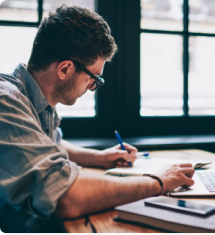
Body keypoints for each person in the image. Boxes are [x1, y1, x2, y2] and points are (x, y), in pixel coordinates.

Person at [0, 4, 195, 233]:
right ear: (64, 69)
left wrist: (101, 158)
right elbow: (66, 196)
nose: (93, 86)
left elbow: (50, 144)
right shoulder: (6, 103)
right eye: (94, 78)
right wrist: (157, 181)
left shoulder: (31, 100)